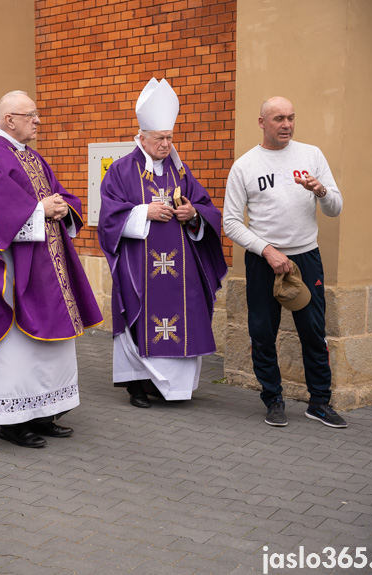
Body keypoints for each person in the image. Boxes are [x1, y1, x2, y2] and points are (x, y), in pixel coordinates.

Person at [0, 90, 103, 448]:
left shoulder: (32, 157)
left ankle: (43, 413)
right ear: (10, 120)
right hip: (12, 271)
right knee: (16, 348)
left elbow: (59, 195)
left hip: (45, 270)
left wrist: (59, 206)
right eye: (32, 115)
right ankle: (12, 422)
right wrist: (41, 209)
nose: (38, 121)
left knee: (48, 349)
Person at [98, 78, 227, 409]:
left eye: (170, 137)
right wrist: (144, 211)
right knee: (137, 320)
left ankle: (169, 386)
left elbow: (206, 207)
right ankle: (137, 386)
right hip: (138, 266)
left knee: (182, 317)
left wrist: (192, 213)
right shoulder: (121, 171)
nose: (166, 143)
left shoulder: (180, 171)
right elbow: (108, 216)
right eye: (160, 138)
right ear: (142, 137)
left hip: (180, 270)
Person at [224, 96, 347, 428]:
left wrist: (321, 191)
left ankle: (319, 402)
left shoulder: (312, 155)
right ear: (262, 122)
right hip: (263, 260)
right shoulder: (245, 165)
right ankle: (273, 399)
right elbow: (231, 222)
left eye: (291, 117)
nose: (287, 124)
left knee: (313, 332)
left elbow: (335, 207)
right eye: (279, 118)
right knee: (263, 332)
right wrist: (267, 250)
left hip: (306, 257)